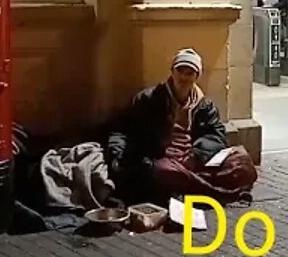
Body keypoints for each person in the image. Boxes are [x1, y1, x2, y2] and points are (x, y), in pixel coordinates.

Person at [106, 49, 258, 204]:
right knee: (162, 171)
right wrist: (127, 156)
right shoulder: (149, 99)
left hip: (193, 160)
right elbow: (125, 131)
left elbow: (215, 136)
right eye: (180, 71)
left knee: (242, 162)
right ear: (172, 72)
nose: (183, 77)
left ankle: (183, 187)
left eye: (190, 73)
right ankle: (191, 189)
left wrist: (196, 155)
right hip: (160, 160)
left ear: (196, 76)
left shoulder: (204, 105)